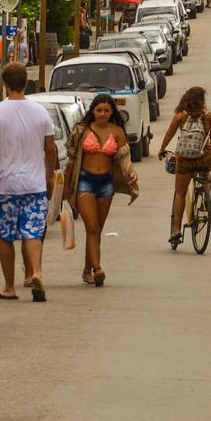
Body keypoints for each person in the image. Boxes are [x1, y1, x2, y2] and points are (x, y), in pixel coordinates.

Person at [0, 62, 58, 302]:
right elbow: (50, 148)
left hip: (6, 185)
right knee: (32, 232)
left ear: (4, 84)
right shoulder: (41, 112)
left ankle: (9, 287)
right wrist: (49, 174)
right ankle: (35, 272)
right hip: (34, 184)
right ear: (25, 83)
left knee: (5, 236)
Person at [64, 93, 137, 287]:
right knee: (92, 227)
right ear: (93, 111)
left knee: (96, 230)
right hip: (84, 182)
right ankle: (98, 270)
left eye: (106, 110)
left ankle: (88, 270)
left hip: (106, 184)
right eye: (99, 110)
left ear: (112, 112)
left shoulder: (118, 132)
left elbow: (124, 159)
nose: (102, 114)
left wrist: (131, 173)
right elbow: (71, 159)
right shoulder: (81, 130)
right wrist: (66, 186)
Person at [158, 86, 211, 247]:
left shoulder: (180, 116)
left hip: (184, 159)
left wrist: (162, 149)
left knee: (180, 193)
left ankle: (176, 230)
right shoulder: (210, 117)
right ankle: (205, 198)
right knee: (206, 175)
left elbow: (169, 134)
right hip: (202, 159)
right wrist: (208, 154)